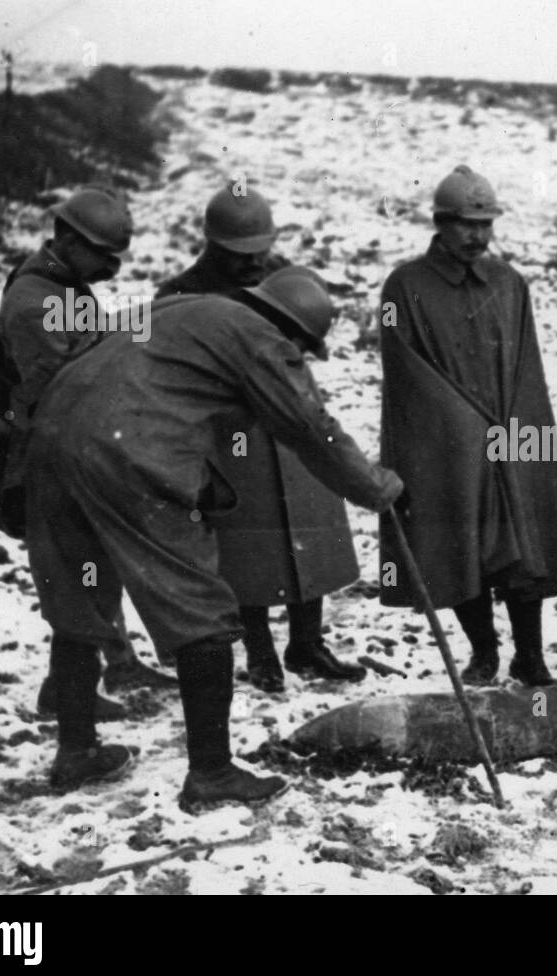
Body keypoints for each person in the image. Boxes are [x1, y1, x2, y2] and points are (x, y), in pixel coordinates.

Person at [24, 266, 403, 805]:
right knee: (201, 609)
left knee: (80, 600)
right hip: (128, 451)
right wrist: (376, 489)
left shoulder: (185, 310)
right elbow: (309, 426)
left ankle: (77, 750)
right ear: (293, 333)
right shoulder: (260, 340)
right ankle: (212, 773)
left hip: (52, 441)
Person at [157, 184, 366, 691]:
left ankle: (307, 642)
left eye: (260, 252)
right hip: (229, 434)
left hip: (291, 417)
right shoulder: (178, 294)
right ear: (211, 244)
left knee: (308, 527)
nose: (253, 265)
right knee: (243, 543)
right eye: (239, 255)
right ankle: (259, 651)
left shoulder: (280, 277)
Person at [0, 186, 175, 720]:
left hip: (69, 439)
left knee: (96, 557)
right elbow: (58, 385)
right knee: (77, 566)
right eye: (103, 256)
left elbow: (84, 339)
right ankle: (67, 692)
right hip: (45, 448)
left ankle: (117, 660)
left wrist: (144, 324)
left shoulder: (62, 285)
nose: (111, 268)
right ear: (67, 238)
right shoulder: (35, 299)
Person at [378, 165, 557, 687]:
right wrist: (462, 428)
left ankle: (530, 657)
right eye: (466, 224)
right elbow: (403, 369)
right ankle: (483, 650)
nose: (478, 236)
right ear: (440, 222)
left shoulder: (510, 285)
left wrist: (527, 437)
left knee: (522, 552)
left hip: (510, 438)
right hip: (445, 446)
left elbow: (527, 365)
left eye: (486, 225)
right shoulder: (405, 285)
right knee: (458, 548)